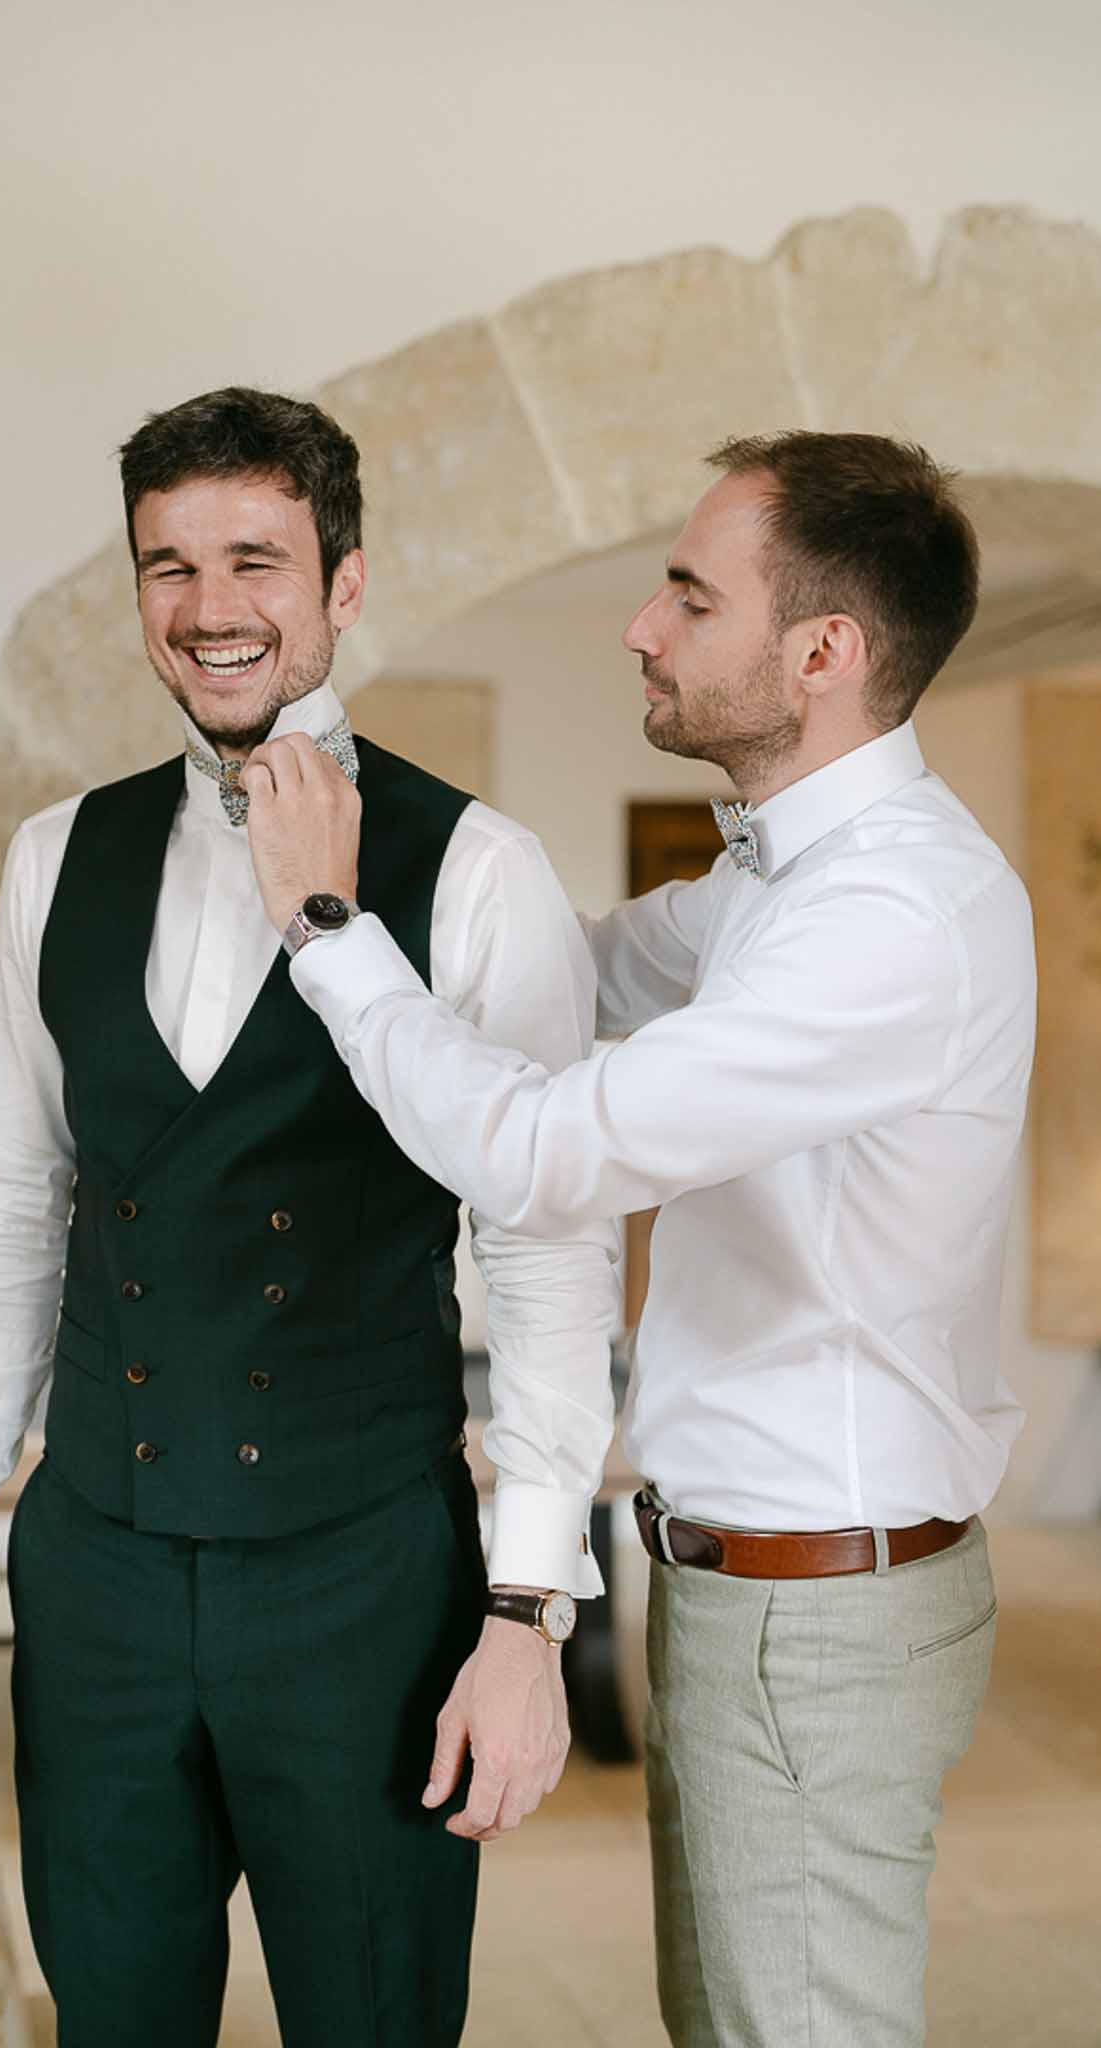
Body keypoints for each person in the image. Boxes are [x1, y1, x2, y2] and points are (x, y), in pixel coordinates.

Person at [242, 430, 1037, 2048]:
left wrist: (325, 928)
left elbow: (542, 1156)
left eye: (688, 593)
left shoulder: (886, 919)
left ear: (820, 652)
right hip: (751, 1598)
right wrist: (425, 873)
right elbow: (564, 970)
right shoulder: (776, 882)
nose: (640, 628)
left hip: (814, 1616)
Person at [0, 387, 620, 2047]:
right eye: (169, 567)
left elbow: (548, 1248)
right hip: (100, 1581)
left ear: (342, 585)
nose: (212, 610)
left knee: (372, 2016)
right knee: (113, 2017)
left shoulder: (479, 867)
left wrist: (524, 1616)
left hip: (364, 1582)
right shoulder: (52, 856)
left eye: (257, 562)